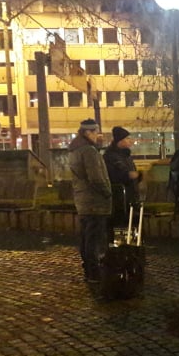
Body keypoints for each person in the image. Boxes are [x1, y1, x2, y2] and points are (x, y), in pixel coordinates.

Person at [69, 119, 112, 284]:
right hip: (94, 201)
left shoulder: (75, 150)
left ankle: (89, 270)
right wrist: (107, 192)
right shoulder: (89, 151)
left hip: (83, 200)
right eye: (95, 132)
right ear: (88, 132)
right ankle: (94, 273)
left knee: (86, 238)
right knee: (94, 239)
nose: (98, 135)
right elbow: (96, 177)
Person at [103, 126, 142, 239]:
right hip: (119, 200)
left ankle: (130, 244)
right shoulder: (110, 157)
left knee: (131, 226)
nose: (130, 141)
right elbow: (115, 175)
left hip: (130, 197)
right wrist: (130, 175)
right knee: (119, 226)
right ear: (120, 141)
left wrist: (137, 177)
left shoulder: (127, 156)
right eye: (127, 138)